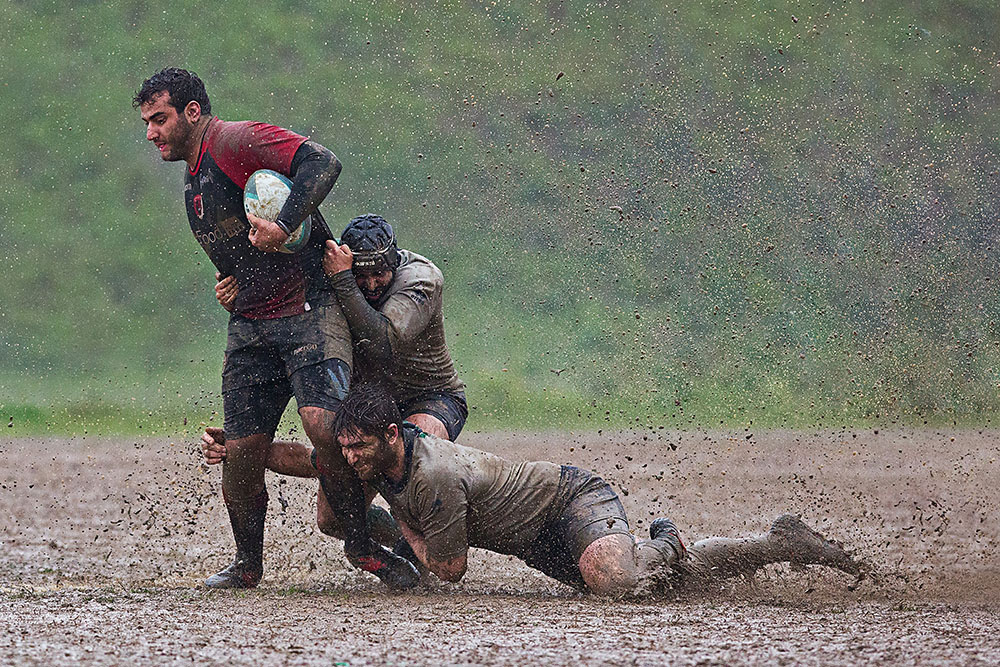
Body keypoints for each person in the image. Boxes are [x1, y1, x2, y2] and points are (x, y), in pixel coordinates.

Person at [133, 68, 418, 590]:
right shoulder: (195, 180)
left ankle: (361, 547)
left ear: (192, 112)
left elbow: (322, 162)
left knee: (322, 425)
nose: (150, 132)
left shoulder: (236, 141)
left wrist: (285, 225)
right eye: (147, 122)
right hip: (252, 327)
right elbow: (240, 249)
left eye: (159, 119)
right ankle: (247, 565)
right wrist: (230, 284)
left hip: (309, 309)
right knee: (240, 451)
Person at [332, 383, 864, 597]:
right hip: (534, 542)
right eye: (346, 449)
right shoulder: (379, 462)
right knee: (678, 583)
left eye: (360, 448)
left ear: (392, 435)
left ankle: (665, 542)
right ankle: (782, 542)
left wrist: (403, 525)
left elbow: (449, 570)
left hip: (569, 499)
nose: (351, 459)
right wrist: (252, 454)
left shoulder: (435, 477)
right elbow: (306, 461)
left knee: (613, 578)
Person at [205, 214, 467, 546]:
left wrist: (345, 280)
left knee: (413, 454)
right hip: (367, 408)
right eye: (362, 276)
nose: (371, 285)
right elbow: (280, 311)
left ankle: (440, 546)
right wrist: (241, 445)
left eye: (379, 274)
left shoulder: (421, 279)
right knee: (334, 518)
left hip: (429, 397)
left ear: (394, 263)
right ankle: (405, 546)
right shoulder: (331, 278)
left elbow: (384, 341)